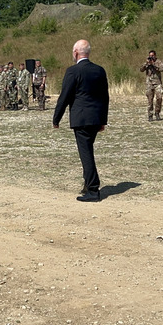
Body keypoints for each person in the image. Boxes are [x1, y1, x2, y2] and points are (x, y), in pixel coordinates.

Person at [53, 40, 110, 203]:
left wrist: (56, 118)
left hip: (81, 119)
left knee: (86, 154)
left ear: (76, 52)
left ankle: (93, 189)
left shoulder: (73, 71)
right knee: (88, 150)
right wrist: (102, 120)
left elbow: (65, 96)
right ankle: (88, 183)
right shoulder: (99, 70)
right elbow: (105, 97)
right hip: (95, 118)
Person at [139, 50, 163, 121]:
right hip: (149, 83)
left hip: (157, 83)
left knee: (159, 98)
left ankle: (157, 113)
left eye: (152, 56)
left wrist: (153, 64)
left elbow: (161, 69)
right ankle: (150, 115)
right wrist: (146, 64)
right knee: (150, 100)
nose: (151, 57)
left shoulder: (158, 62)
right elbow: (141, 69)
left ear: (155, 55)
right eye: (150, 56)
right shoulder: (147, 63)